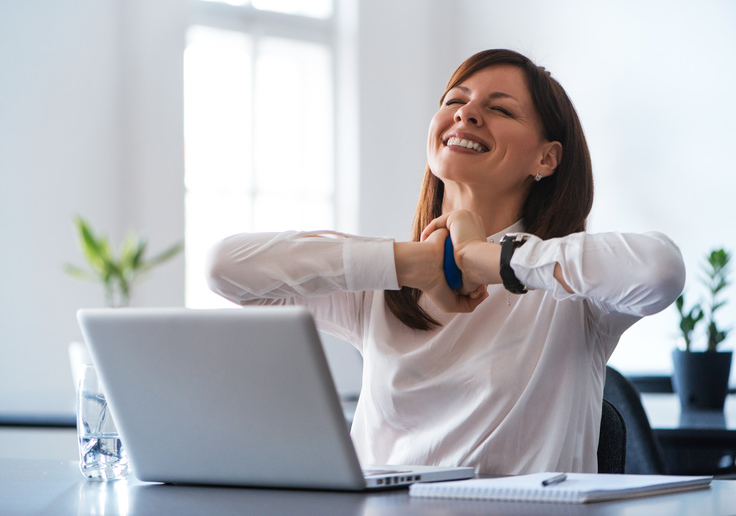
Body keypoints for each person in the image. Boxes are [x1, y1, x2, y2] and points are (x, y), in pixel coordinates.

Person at [207, 49, 685, 475]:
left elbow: (658, 270)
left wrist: (488, 260)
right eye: (455, 100)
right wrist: (408, 262)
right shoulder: (384, 279)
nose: (468, 114)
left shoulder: (572, 295)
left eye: (500, 109)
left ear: (546, 159)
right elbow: (226, 269)